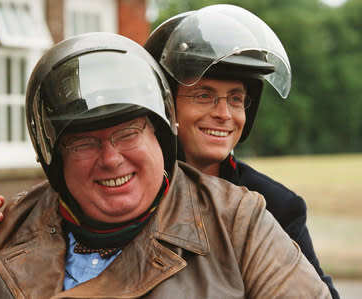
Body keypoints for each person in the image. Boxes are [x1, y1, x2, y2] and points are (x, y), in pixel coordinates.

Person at [0, 31, 330, 298]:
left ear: (161, 136)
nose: (111, 159)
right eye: (83, 142)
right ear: (55, 158)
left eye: (128, 133)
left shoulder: (242, 220)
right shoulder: (10, 231)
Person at [143, 4, 339, 298]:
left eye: (235, 99)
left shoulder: (275, 205)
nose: (224, 113)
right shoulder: (133, 195)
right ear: (167, 106)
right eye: (204, 95)